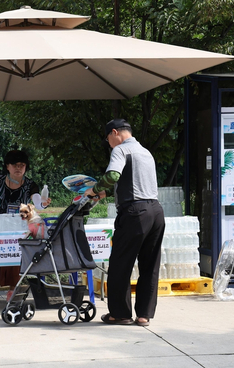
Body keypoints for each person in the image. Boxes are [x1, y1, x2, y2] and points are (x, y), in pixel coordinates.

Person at [84, 119, 165, 327]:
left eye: (108, 139)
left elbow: (112, 175)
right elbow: (132, 181)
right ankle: (144, 315)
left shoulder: (121, 150)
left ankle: (120, 314)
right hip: (156, 211)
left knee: (121, 263)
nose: (109, 143)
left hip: (134, 212)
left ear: (114, 133)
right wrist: (106, 189)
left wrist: (93, 190)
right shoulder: (145, 152)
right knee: (150, 265)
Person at [0, 150, 51, 302]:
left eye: (22, 165)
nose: (18, 168)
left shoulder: (31, 184)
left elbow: (38, 202)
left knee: (16, 253)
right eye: (15, 165)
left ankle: (13, 288)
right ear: (7, 166)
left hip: (21, 226)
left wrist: (43, 204)